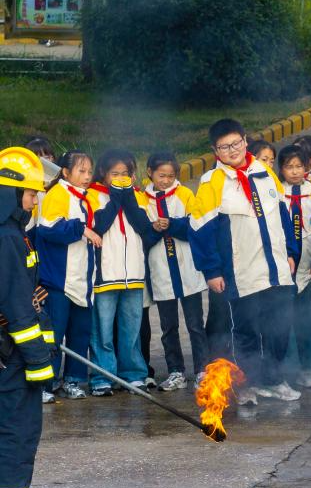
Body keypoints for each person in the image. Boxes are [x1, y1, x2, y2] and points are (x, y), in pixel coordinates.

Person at [190, 119, 299, 405]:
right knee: (246, 330)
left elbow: (283, 214)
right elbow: (201, 231)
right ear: (215, 151)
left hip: (275, 267)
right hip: (241, 271)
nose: (232, 150)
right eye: (225, 147)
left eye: (236, 143)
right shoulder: (211, 183)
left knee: (279, 327)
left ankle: (274, 379)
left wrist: (290, 252)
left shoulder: (263, 172)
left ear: (245, 140)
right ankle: (246, 384)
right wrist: (211, 270)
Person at [0, 146, 55, 488]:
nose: (35, 200)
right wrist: (39, 362)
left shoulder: (13, 234)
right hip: (13, 357)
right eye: (32, 193)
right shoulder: (8, 239)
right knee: (17, 431)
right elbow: (19, 313)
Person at [36, 151, 106, 401]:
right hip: (59, 279)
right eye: (81, 171)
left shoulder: (86, 198)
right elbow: (48, 228)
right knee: (53, 335)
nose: (87, 176)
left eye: (89, 171)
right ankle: (47, 383)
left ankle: (74, 380)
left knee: (80, 332)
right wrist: (82, 229)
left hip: (82, 279)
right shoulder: (58, 194)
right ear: (65, 172)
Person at [88, 149, 155, 396]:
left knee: (132, 328)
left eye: (125, 173)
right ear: (103, 173)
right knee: (102, 330)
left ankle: (133, 374)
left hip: (134, 273)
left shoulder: (137, 196)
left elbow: (144, 227)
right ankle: (102, 377)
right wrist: (115, 199)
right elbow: (99, 225)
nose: (120, 177)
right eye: (114, 173)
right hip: (105, 273)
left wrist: (127, 199)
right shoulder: (93, 195)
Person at [144, 152, 209, 391]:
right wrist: (153, 228)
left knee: (194, 324)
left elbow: (194, 226)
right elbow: (143, 234)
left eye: (171, 176)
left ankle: (202, 369)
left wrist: (172, 224)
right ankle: (175, 371)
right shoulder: (143, 199)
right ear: (149, 172)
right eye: (161, 175)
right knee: (168, 326)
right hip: (161, 271)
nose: (166, 180)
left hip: (187, 269)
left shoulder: (184, 194)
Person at [277, 145, 311, 388]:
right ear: (281, 169)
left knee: (306, 321)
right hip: (283, 269)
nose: (295, 171)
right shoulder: (276, 192)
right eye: (289, 167)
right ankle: (286, 371)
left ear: (307, 166)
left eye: (299, 166)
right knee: (282, 321)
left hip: (308, 268)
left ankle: (309, 369)